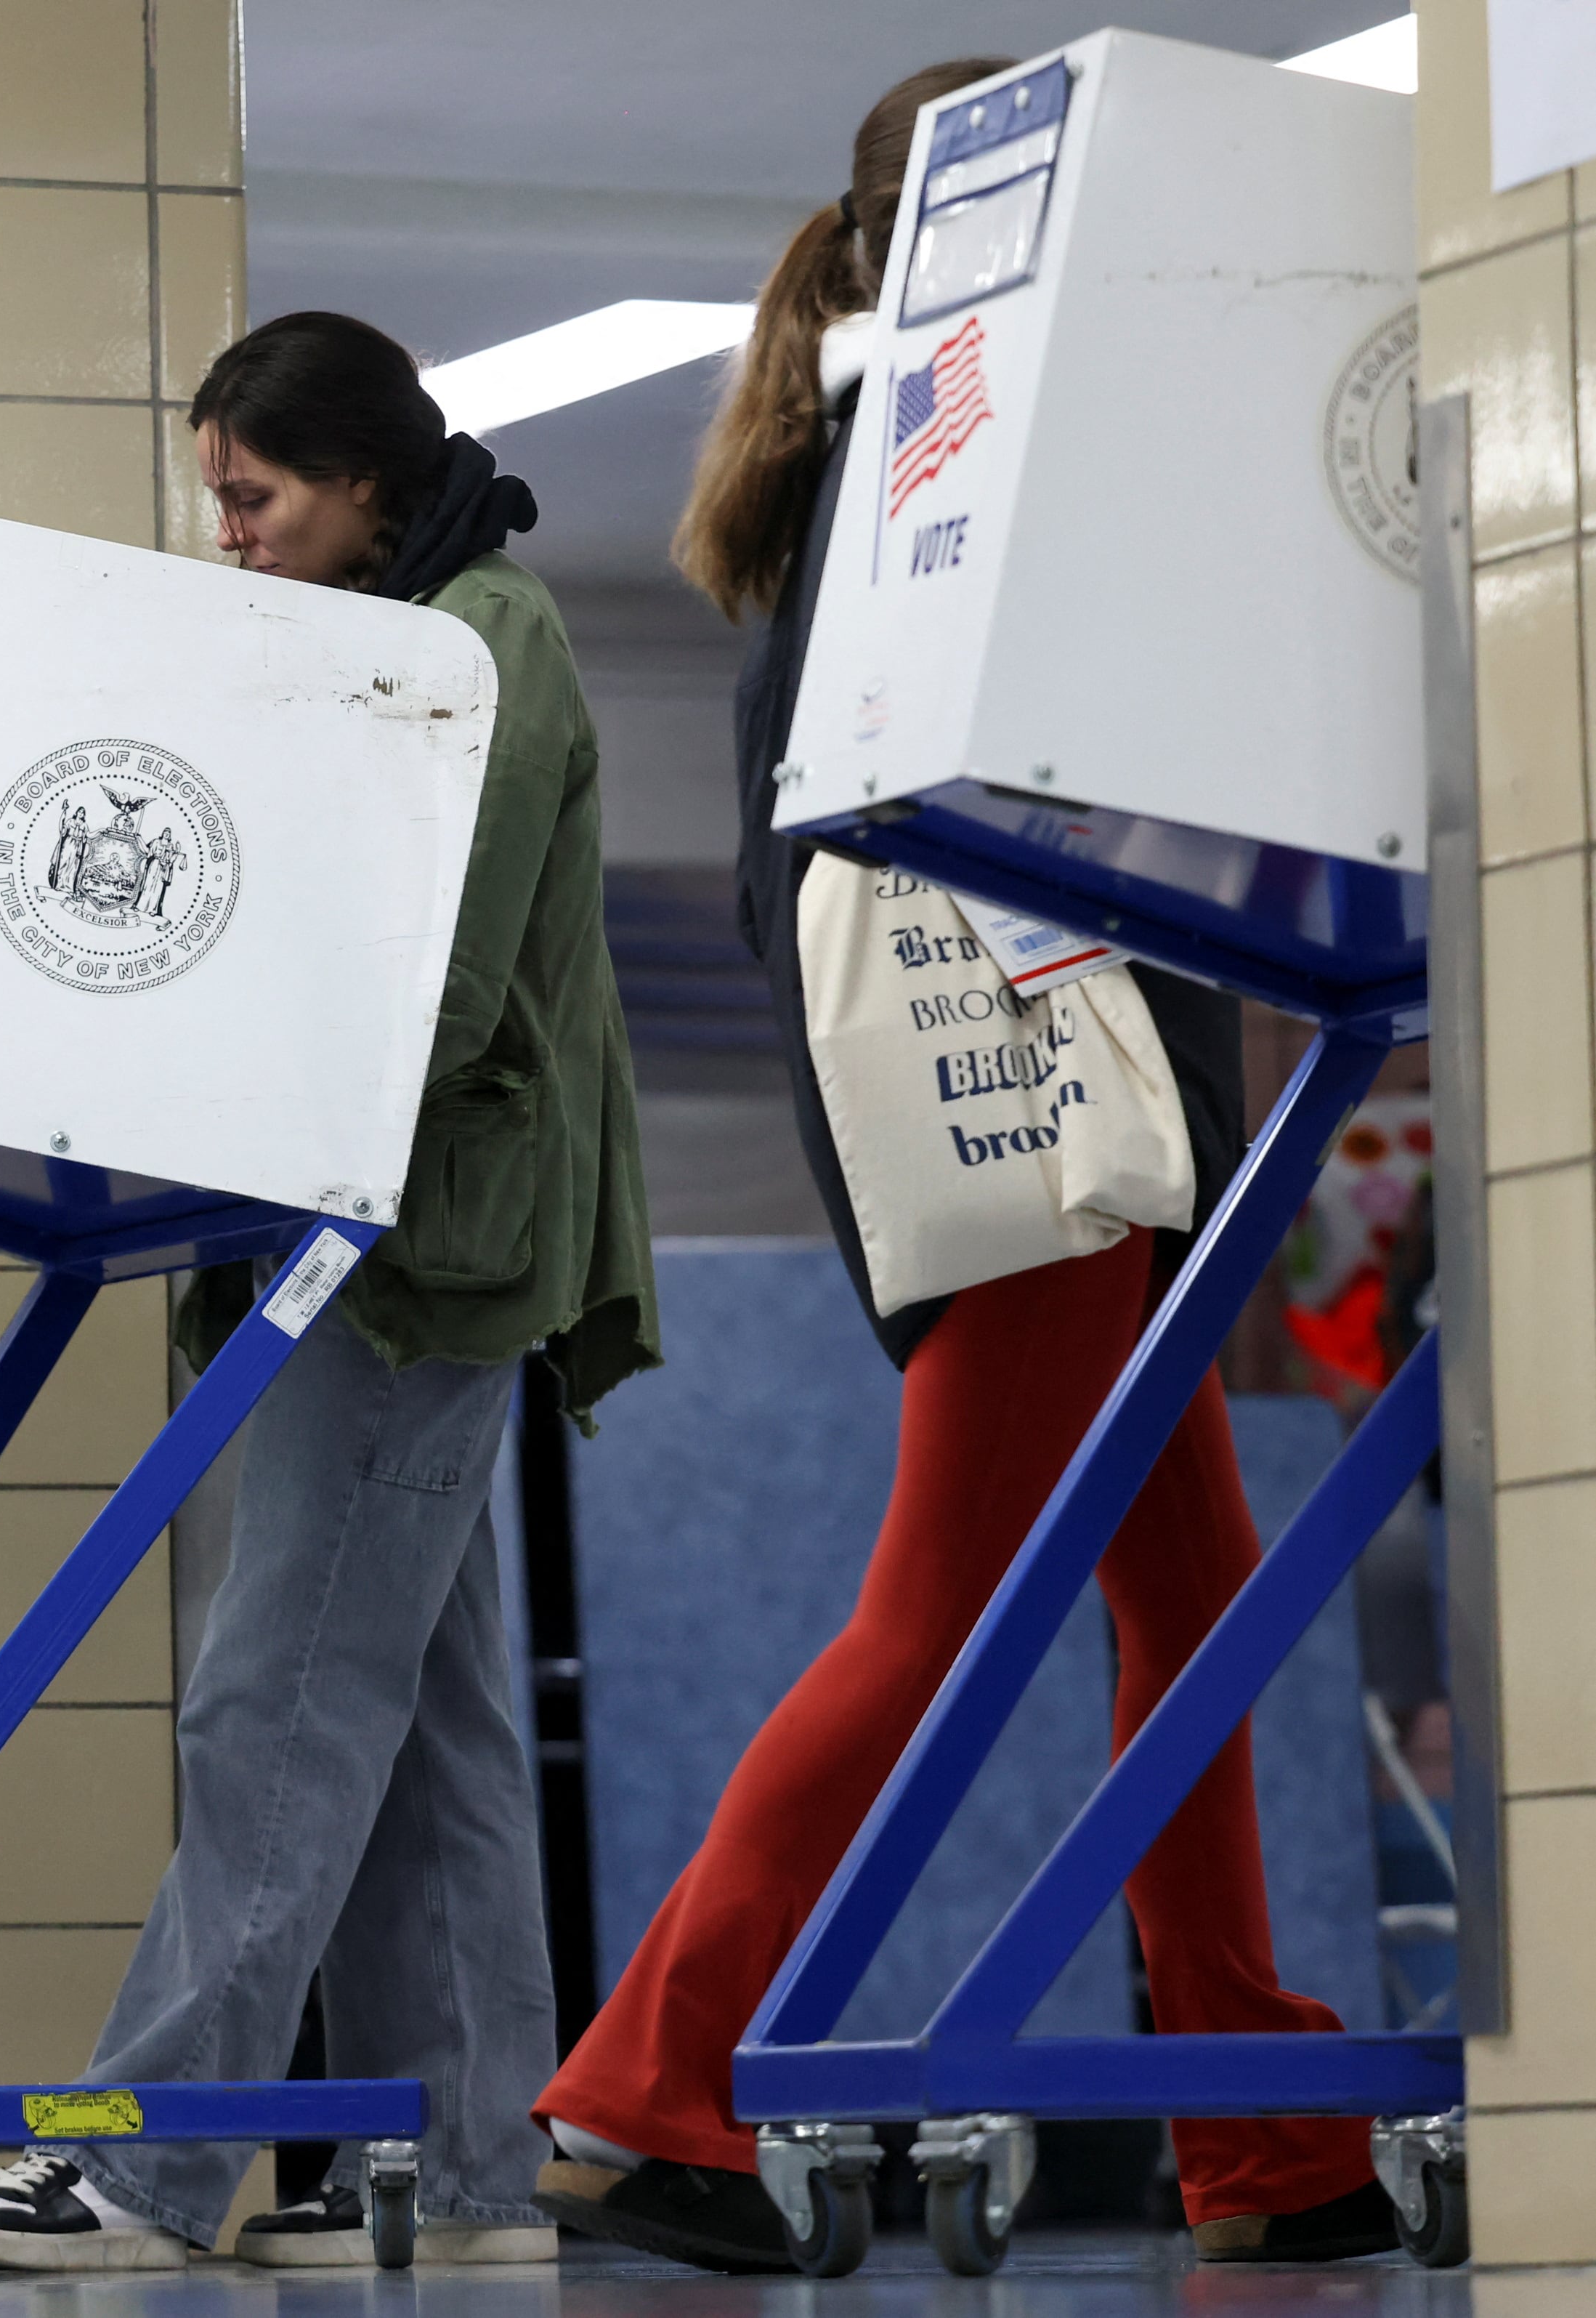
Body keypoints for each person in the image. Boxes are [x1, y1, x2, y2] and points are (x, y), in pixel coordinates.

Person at [527, 61, 1396, 2274]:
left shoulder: (885, 444)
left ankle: (1256, 2122)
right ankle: (647, 2079)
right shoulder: (948, 445)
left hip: (1042, 1092)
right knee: (940, 1615)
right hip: (1025, 1090)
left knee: (1181, 1605)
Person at [0, 311, 657, 2274]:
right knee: (416, 1717)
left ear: (359, 484)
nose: (229, 534)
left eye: (252, 497)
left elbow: (444, 976)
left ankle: (144, 2160)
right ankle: (461, 2170)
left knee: (276, 1696)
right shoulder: (379, 643)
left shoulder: (483, 638)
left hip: (413, 1249)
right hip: (361, 1228)